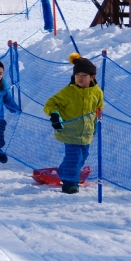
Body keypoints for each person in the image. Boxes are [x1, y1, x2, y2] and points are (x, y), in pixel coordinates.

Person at [45, 55, 104, 194]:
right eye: (77, 75)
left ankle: (64, 171)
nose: (80, 78)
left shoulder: (97, 92)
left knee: (82, 157)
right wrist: (55, 114)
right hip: (70, 132)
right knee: (74, 157)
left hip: (87, 133)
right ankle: (69, 184)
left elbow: (99, 109)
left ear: (92, 77)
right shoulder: (69, 91)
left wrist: (95, 124)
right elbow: (51, 103)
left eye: (84, 75)